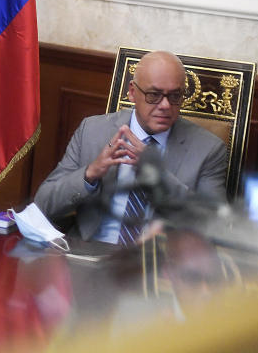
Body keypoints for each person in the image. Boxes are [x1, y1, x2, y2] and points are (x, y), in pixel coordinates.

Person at [34, 51, 227, 245]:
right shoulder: (92, 131)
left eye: (175, 96)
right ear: (133, 92)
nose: (166, 105)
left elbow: (214, 226)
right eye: (154, 95)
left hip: (159, 265)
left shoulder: (208, 149)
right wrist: (90, 173)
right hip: (90, 255)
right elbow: (43, 204)